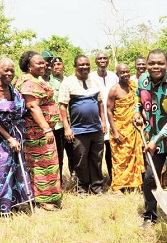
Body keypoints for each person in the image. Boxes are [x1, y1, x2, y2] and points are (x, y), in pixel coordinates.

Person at [134, 49, 167, 227]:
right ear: (147, 64)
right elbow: (138, 99)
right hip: (152, 141)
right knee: (150, 178)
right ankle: (150, 215)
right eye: (152, 63)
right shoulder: (143, 80)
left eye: (160, 63)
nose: (156, 66)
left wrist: (155, 139)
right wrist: (137, 113)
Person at [0, 58, 34, 214]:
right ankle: (0, 206)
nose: (9, 73)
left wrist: (15, 136)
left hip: (13, 131)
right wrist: (9, 138)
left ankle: (13, 203)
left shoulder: (13, 89)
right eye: (6, 70)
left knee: (14, 166)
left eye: (12, 70)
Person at [17, 51, 62, 210]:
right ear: (29, 66)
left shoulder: (35, 80)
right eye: (39, 63)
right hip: (37, 133)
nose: (44, 65)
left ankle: (48, 197)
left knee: (47, 163)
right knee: (40, 165)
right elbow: (32, 106)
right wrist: (46, 129)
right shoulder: (29, 83)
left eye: (44, 63)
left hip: (42, 132)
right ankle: (42, 200)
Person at [58, 55, 106, 195]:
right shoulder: (68, 83)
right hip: (79, 130)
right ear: (75, 67)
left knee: (97, 159)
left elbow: (100, 103)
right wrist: (67, 127)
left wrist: (103, 122)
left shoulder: (94, 80)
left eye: (87, 64)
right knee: (81, 161)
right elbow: (62, 107)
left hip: (96, 128)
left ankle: (97, 187)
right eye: (81, 65)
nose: (85, 67)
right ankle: (82, 188)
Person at [106, 64, 145, 192]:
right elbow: (109, 111)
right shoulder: (114, 90)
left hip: (134, 128)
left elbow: (139, 104)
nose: (125, 74)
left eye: (127, 72)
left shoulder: (134, 86)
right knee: (120, 159)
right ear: (117, 74)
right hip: (120, 129)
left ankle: (133, 184)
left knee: (134, 156)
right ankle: (118, 186)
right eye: (122, 72)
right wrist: (115, 132)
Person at [90, 51, 118, 183]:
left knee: (111, 151)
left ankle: (113, 178)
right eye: (100, 58)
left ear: (108, 61)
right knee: (97, 152)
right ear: (95, 61)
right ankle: (97, 179)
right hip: (96, 118)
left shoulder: (114, 77)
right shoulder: (90, 77)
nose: (102, 60)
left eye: (105, 58)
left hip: (112, 117)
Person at [48, 56, 69, 182]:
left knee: (73, 154)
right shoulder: (47, 82)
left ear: (63, 66)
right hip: (57, 125)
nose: (57, 67)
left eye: (59, 64)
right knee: (58, 155)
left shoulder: (69, 80)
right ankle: (58, 182)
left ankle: (74, 179)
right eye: (54, 65)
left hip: (71, 122)